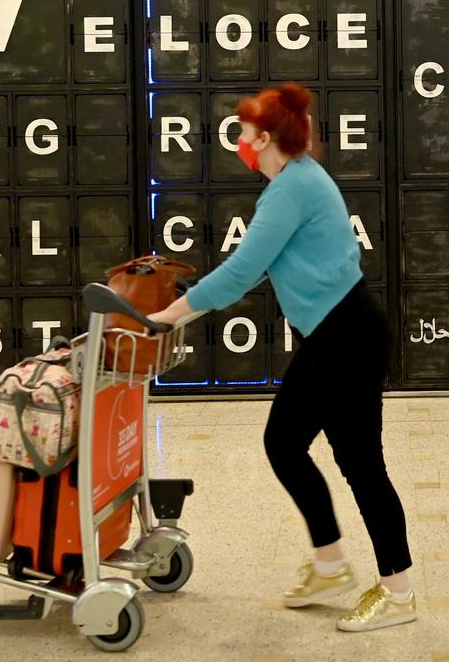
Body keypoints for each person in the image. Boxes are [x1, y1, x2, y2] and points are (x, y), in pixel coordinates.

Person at [147, 83, 415, 632]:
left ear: (264, 137)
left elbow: (241, 275)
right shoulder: (293, 182)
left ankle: (398, 591)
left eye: (244, 132)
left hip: (347, 336)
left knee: (362, 465)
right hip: (332, 334)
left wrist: (162, 319)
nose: (239, 140)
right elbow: (248, 269)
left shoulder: (293, 189)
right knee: (284, 443)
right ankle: (330, 562)